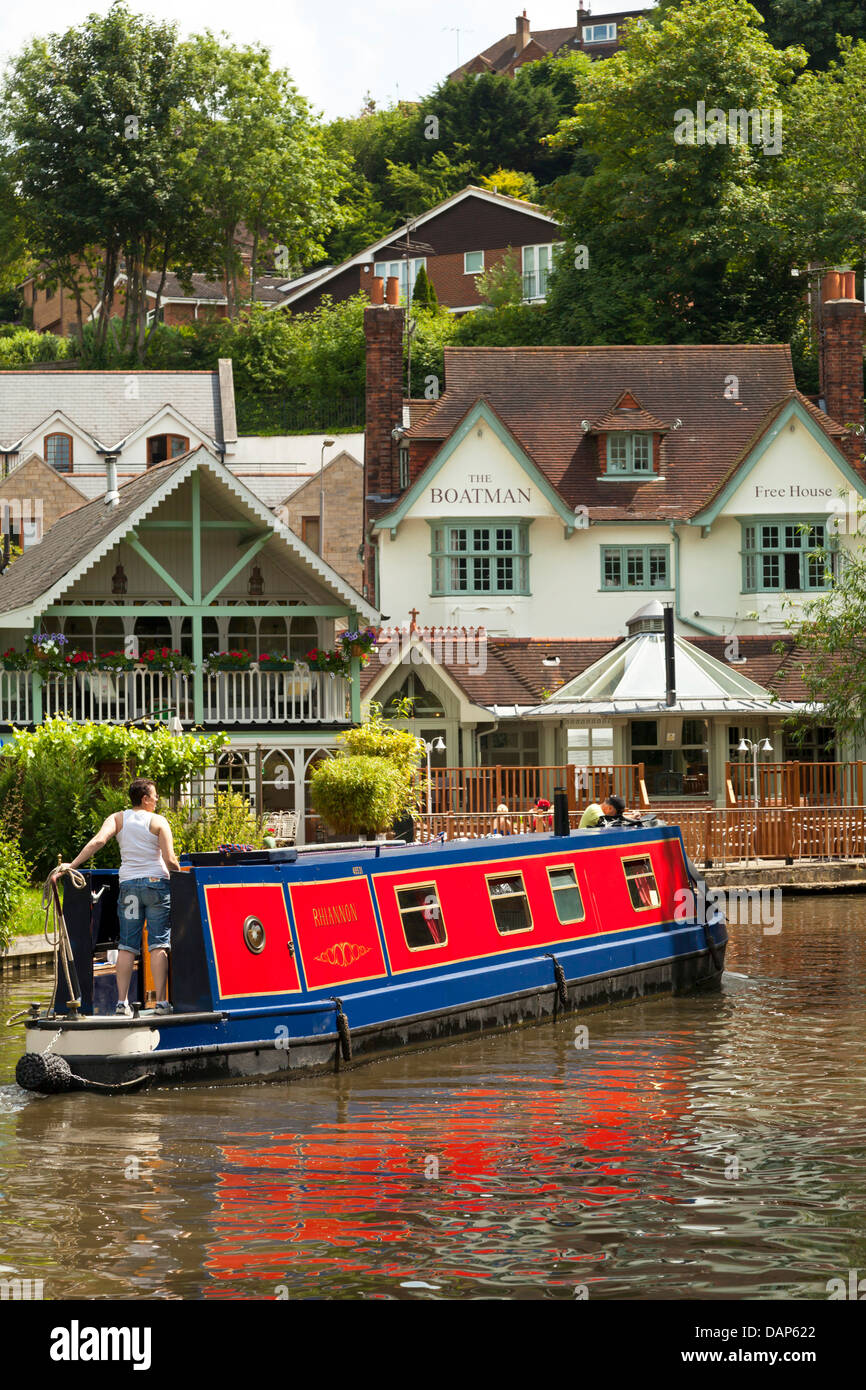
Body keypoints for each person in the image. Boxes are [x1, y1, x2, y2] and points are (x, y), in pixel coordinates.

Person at [51, 777, 180, 1016]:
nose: (156, 800)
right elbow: (170, 861)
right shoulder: (159, 821)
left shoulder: (117, 818)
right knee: (158, 943)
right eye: (154, 796)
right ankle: (162, 1003)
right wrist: (185, 878)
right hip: (156, 886)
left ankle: (122, 1003)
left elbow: (98, 841)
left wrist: (73, 865)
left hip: (129, 886)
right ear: (145, 798)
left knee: (127, 945)